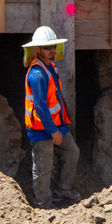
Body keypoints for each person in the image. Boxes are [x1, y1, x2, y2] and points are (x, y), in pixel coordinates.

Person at [23, 26, 81, 208]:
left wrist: (58, 128)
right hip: (41, 129)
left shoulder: (50, 67)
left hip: (56, 125)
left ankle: (61, 191)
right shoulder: (37, 74)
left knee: (72, 152)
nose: (52, 50)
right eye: (48, 48)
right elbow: (40, 106)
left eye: (53, 46)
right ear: (37, 49)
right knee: (43, 167)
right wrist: (53, 130)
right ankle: (43, 203)